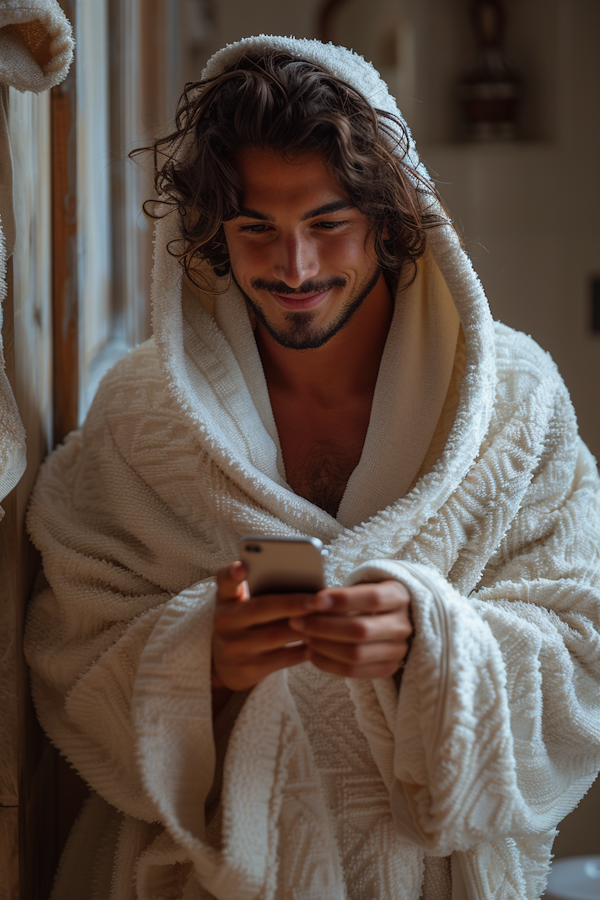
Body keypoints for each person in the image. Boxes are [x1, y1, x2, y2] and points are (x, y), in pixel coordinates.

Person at [24, 36, 600, 900]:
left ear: (389, 215)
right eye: (257, 228)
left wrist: (433, 643)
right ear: (212, 229)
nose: (295, 268)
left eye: (328, 224)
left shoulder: (515, 404)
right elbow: (68, 649)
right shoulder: (142, 418)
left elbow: (583, 653)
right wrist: (200, 662)